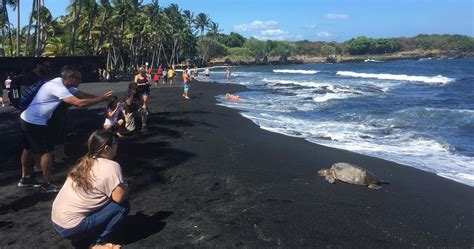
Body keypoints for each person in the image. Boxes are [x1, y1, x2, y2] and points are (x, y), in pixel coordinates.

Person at [18, 66, 114, 192]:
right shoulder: (57, 87)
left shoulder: (61, 83)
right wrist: (101, 99)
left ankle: (25, 179)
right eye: (78, 79)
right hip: (34, 122)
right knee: (47, 152)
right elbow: (78, 103)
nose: (80, 81)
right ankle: (47, 184)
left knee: (28, 148)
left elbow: (82, 95)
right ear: (69, 78)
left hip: (26, 118)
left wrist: (102, 99)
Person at [52, 130, 129, 249]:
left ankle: (86, 236)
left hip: (57, 222)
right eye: (116, 143)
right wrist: (125, 185)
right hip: (71, 227)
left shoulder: (83, 162)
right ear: (107, 148)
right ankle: (97, 243)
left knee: (102, 198)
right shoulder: (112, 166)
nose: (117, 145)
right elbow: (119, 198)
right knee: (123, 206)